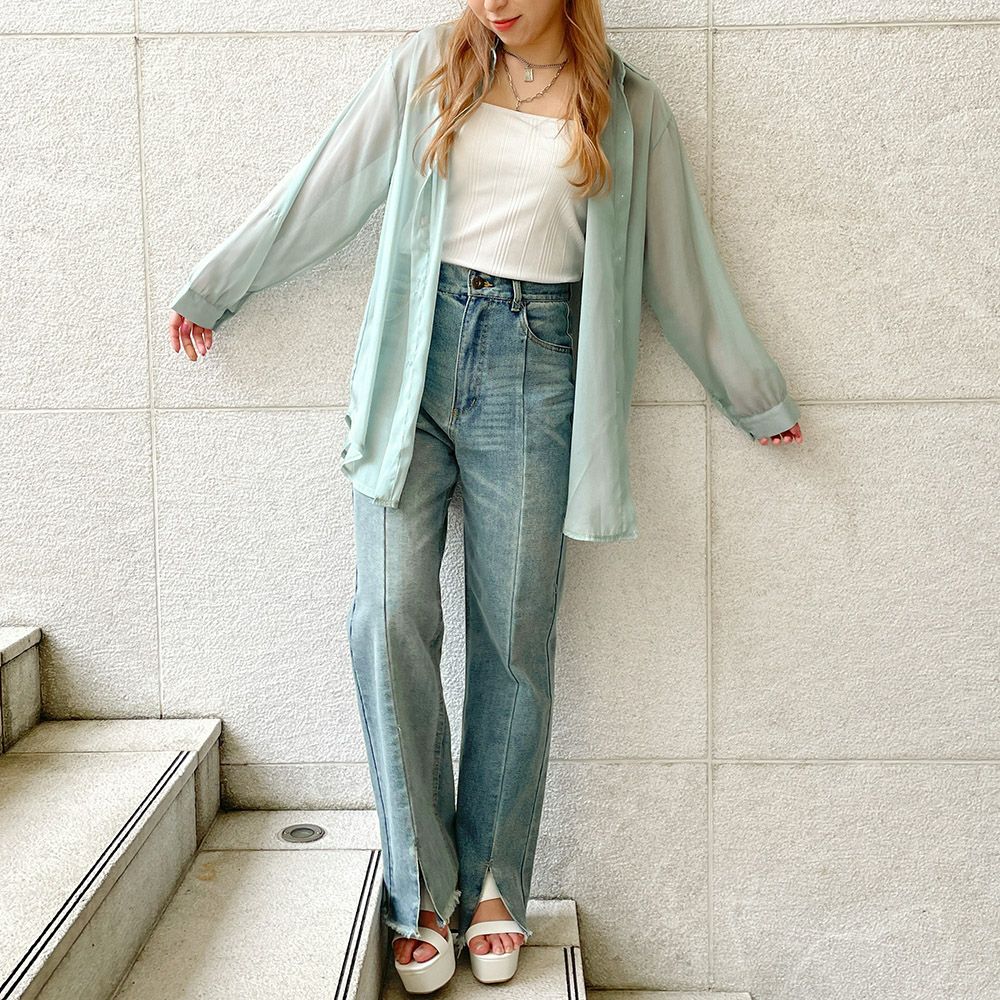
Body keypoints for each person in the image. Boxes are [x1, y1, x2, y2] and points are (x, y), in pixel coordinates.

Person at [167, 2, 803, 993]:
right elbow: (326, 186)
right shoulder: (431, 66)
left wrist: (752, 393)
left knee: (514, 634)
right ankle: (423, 888)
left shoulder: (627, 105)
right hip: (412, 362)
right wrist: (219, 285)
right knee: (386, 616)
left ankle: (496, 880)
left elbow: (679, 264)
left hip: (535, 370)